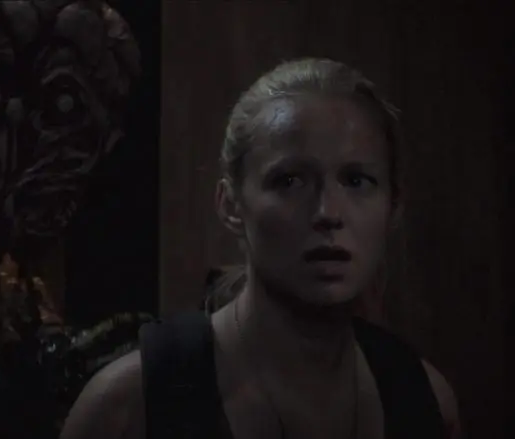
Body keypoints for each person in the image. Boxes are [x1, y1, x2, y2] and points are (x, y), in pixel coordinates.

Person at [59, 58, 462, 439]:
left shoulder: (423, 399)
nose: (328, 213)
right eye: (290, 181)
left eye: (356, 181)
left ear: (394, 205)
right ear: (231, 206)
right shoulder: (129, 404)